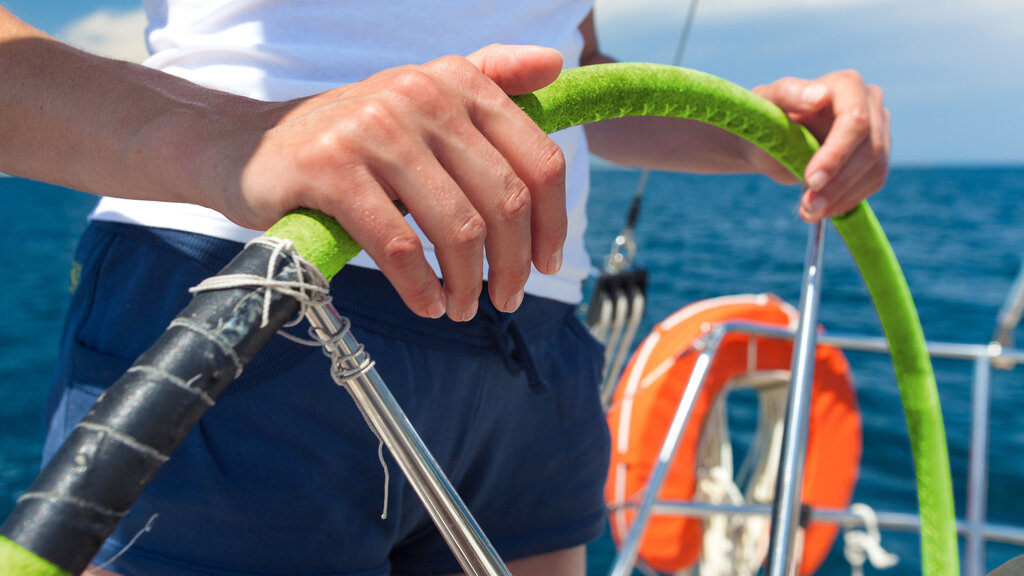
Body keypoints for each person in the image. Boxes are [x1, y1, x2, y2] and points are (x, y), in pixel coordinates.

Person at [0, 2, 890, 575]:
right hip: (249, 285)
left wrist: (743, 135)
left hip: (530, 336)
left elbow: (563, 63)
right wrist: (231, 138)